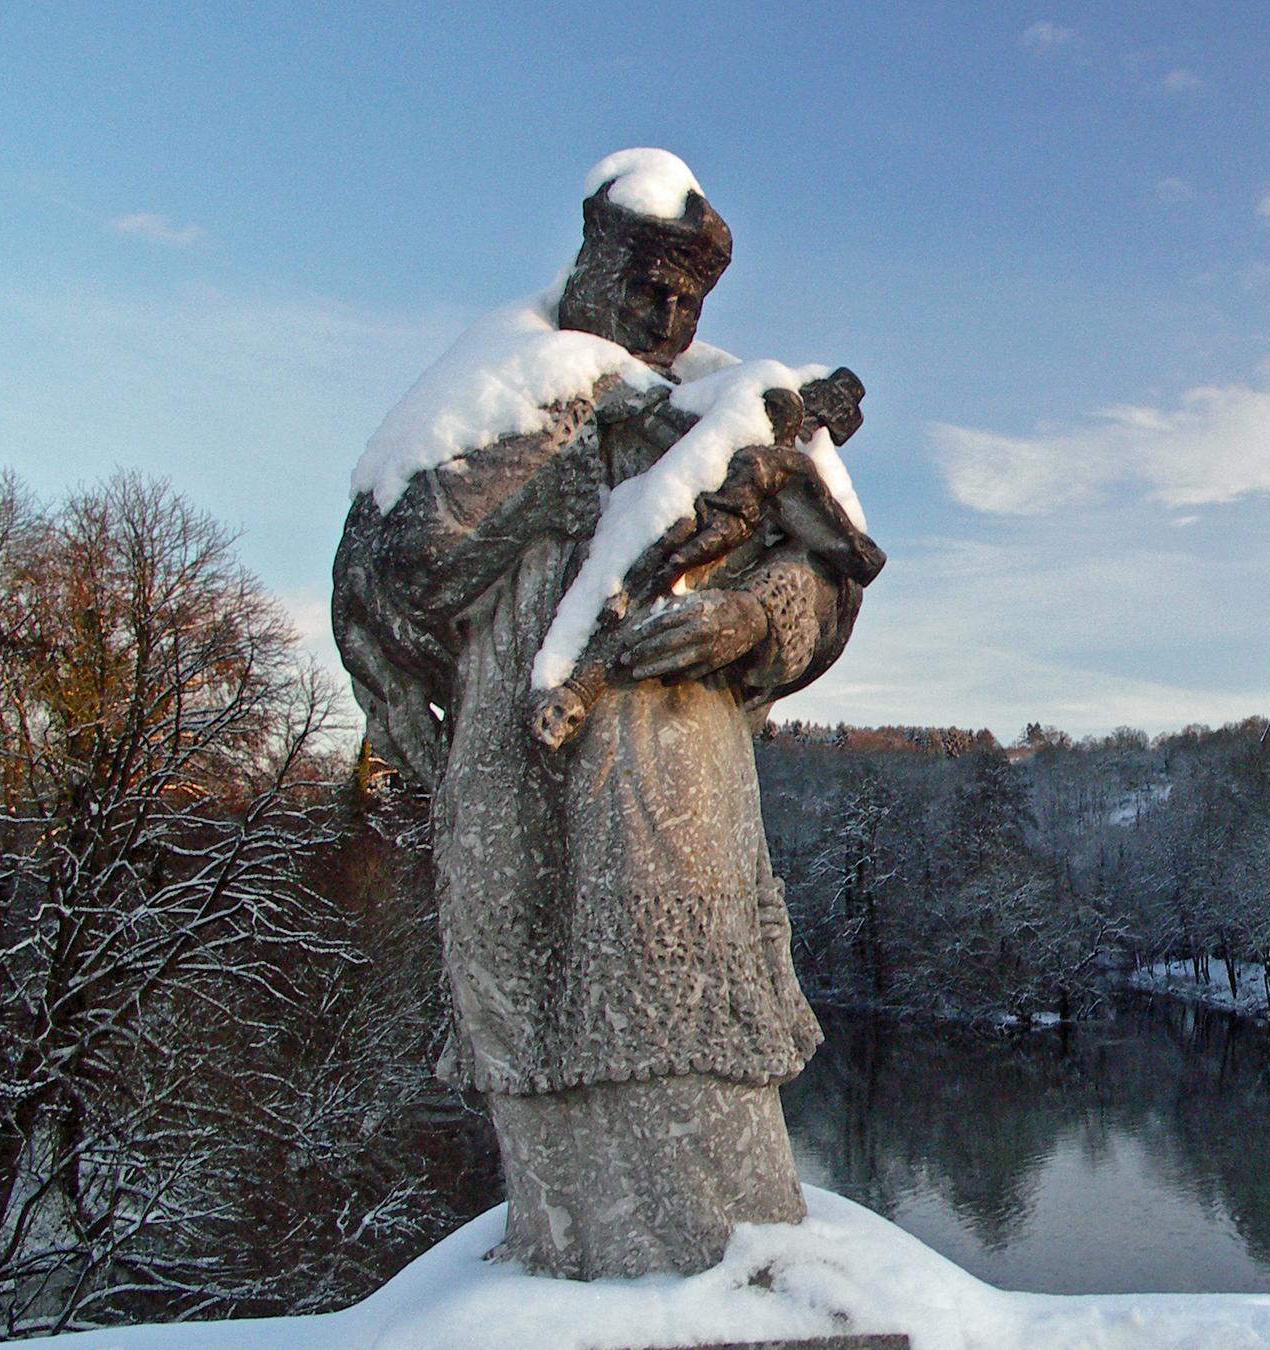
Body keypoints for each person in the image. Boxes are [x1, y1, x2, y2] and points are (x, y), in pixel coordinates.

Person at [332, 162, 865, 1278]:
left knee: (692, 1058)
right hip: (510, 769)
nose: (668, 318)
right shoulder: (494, 388)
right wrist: (564, 469)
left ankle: (725, 1282)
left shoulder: (737, 406)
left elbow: (829, 580)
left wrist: (749, 620)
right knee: (532, 1050)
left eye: (689, 300)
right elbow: (386, 573)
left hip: (673, 776)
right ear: (589, 260)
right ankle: (571, 1264)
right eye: (644, 286)